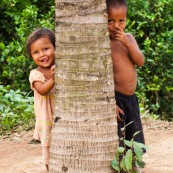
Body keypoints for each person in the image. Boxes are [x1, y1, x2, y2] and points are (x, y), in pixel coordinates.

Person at [106, 0, 145, 151]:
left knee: (134, 135)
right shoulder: (105, 43)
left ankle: (135, 162)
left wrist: (127, 44)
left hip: (131, 99)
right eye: (111, 21)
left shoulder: (129, 38)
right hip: (117, 99)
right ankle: (120, 164)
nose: (116, 26)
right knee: (119, 137)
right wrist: (110, 103)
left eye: (121, 21)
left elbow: (140, 61)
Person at [26, 28, 55, 171]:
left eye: (46, 49)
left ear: (55, 48)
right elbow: (42, 90)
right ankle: (48, 167)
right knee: (49, 149)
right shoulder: (35, 74)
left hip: (61, 117)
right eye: (36, 52)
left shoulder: (60, 68)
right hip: (46, 118)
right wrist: (54, 79)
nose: (42, 54)